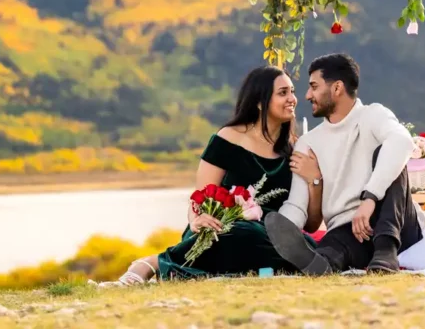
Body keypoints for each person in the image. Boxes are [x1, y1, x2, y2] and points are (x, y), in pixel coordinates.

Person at [98, 65, 324, 286]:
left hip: (276, 235)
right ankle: (154, 263)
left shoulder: (296, 149)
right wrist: (196, 219)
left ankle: (273, 263)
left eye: (292, 91)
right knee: (242, 233)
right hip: (224, 227)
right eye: (283, 93)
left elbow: (312, 224)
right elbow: (200, 198)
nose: (292, 99)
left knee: (298, 244)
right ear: (259, 102)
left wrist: (315, 179)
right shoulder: (229, 138)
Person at [264, 53, 422, 275]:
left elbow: (403, 142)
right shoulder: (308, 143)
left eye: (314, 87)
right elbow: (297, 204)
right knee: (332, 247)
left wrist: (370, 198)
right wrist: (281, 229)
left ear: (337, 88)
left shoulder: (373, 115)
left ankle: (386, 250)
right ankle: (323, 262)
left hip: (398, 225)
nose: (307, 95)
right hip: (351, 231)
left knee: (389, 151)